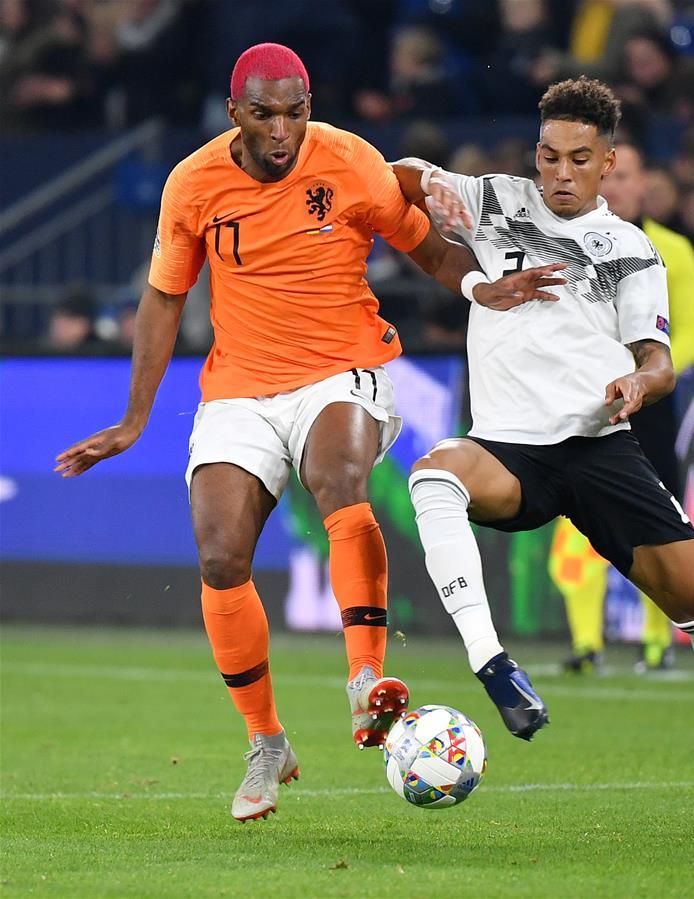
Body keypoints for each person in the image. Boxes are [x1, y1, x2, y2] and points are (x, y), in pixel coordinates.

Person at [54, 43, 564, 823]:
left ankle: (366, 680)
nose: (284, 129)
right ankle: (266, 742)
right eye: (265, 114)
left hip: (342, 367)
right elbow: (163, 297)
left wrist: (475, 285)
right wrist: (134, 418)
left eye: (296, 111)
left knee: (338, 479)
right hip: (239, 389)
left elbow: (420, 239)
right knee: (221, 554)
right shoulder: (192, 183)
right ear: (234, 114)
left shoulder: (350, 161)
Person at [391, 76, 694, 817]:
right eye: (547, 156)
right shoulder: (493, 199)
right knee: (432, 476)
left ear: (607, 161)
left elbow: (658, 356)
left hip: (598, 448)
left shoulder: (627, 248)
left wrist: (639, 386)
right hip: (509, 449)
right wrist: (429, 185)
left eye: (577, 159)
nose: (558, 173)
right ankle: (491, 663)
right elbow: (390, 176)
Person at [549, 142, 694, 675]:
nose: (617, 187)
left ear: (644, 185)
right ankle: (587, 643)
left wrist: (644, 374)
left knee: (654, 525)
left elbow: (693, 335)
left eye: (628, 176)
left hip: (651, 408)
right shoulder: (570, 244)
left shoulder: (673, 252)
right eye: (611, 177)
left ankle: (656, 642)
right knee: (574, 523)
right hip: (587, 400)